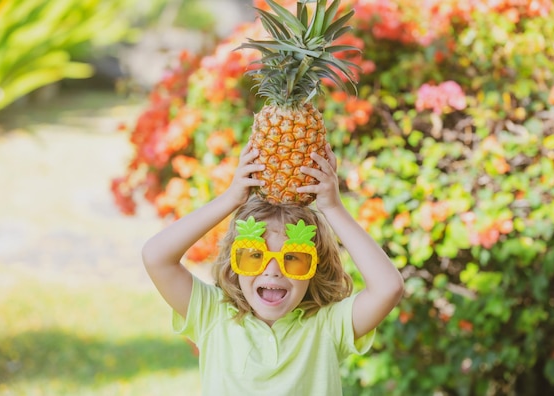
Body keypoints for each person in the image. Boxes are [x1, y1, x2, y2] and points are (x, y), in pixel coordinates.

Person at [142, 142, 405, 395]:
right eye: (255, 255)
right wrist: (231, 199)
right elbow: (156, 256)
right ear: (235, 264)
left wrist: (333, 208)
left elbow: (388, 288)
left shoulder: (327, 326)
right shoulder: (212, 315)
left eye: (293, 258)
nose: (272, 270)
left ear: (315, 267)